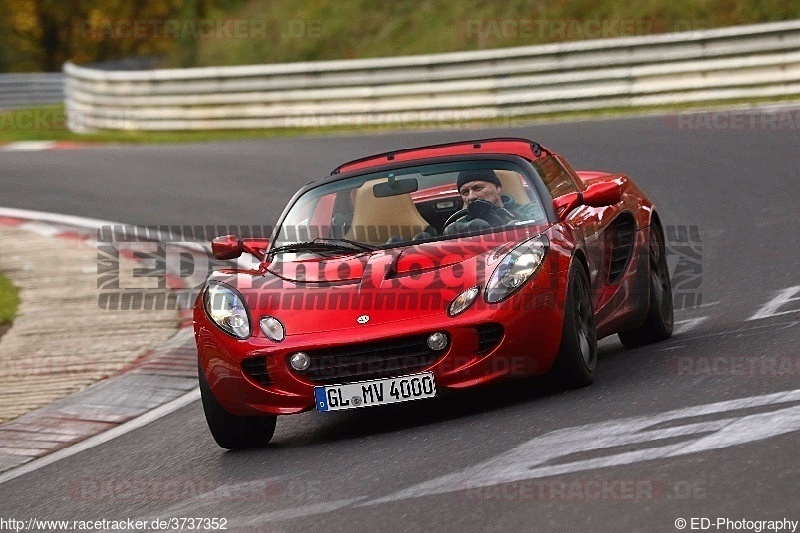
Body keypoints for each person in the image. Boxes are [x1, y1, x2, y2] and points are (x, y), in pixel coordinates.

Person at [443, 169, 542, 234]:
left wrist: (501, 214)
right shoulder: (461, 225)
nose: (471, 196)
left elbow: (543, 225)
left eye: (478, 188)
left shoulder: (528, 209)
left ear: (497, 188)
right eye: (465, 192)